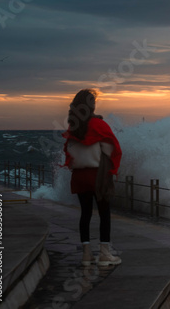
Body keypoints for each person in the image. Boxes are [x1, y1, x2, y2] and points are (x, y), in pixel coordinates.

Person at [62, 89, 122, 266]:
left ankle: (86, 255)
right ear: (91, 106)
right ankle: (104, 254)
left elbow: (69, 151)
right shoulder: (98, 124)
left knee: (85, 214)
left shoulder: (73, 126)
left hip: (79, 176)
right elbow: (112, 149)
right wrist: (112, 170)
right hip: (98, 176)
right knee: (104, 214)